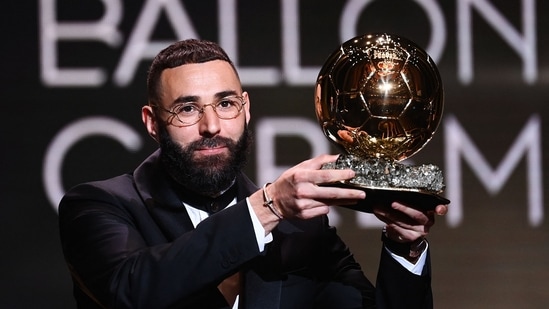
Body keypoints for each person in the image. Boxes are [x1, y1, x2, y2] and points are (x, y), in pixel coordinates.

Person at [58, 38, 448, 309]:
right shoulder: (99, 206)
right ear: (152, 122)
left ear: (245, 109)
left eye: (225, 103)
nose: (212, 125)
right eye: (188, 109)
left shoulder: (303, 232)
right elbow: (132, 293)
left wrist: (404, 246)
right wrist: (269, 206)